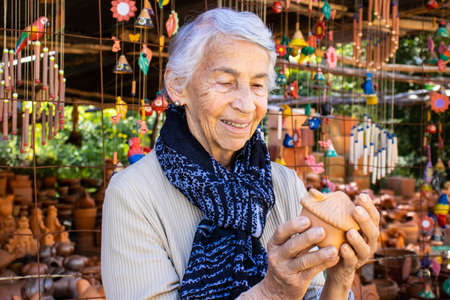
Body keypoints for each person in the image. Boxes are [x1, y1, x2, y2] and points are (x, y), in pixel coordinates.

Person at [101, 8, 380, 300]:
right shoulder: (132, 195)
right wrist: (272, 293)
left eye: (257, 85)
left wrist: (340, 276)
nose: (247, 105)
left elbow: (313, 295)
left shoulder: (284, 185)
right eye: (225, 82)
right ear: (177, 85)